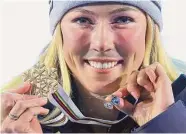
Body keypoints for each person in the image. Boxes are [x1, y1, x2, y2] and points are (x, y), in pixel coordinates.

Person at [1, 0, 186, 133]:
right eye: (82, 20)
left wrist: (164, 126)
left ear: (150, 30)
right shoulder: (9, 113)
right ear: (59, 32)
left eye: (123, 19)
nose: (102, 43)